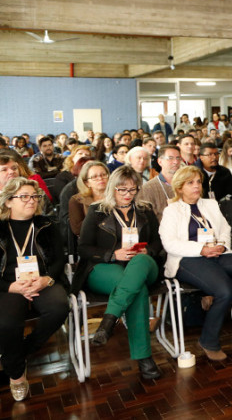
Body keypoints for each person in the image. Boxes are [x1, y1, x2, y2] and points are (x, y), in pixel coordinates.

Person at [159, 166, 232, 361]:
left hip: (216, 254)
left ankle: (216, 299)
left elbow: (224, 228)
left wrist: (222, 247)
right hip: (188, 259)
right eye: (190, 183)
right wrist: (201, 250)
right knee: (224, 291)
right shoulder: (171, 210)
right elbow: (169, 243)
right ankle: (209, 340)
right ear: (180, 187)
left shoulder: (210, 204)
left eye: (199, 182)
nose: (196, 186)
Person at [72, 166, 164, 380]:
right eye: (122, 190)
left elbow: (159, 241)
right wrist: (113, 255)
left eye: (132, 190)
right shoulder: (97, 211)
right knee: (137, 288)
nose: (127, 195)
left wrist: (147, 250)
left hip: (143, 264)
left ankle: (109, 319)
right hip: (106, 268)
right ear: (112, 188)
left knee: (140, 264)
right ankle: (144, 358)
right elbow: (83, 248)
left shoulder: (145, 210)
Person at [0, 177, 68, 402]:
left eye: (35, 197)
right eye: (24, 196)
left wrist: (46, 280)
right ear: (8, 201)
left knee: (59, 307)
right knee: (8, 322)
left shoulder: (47, 224)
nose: (32, 201)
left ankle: (21, 353)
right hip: (8, 285)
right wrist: (11, 286)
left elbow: (60, 259)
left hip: (41, 280)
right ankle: (17, 375)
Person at [137, 145, 181, 221]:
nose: (175, 162)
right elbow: (144, 220)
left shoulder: (187, 184)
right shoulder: (148, 188)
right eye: (170, 158)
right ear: (160, 161)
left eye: (178, 158)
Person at [69, 161, 110, 237]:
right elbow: (77, 229)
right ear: (87, 183)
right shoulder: (77, 200)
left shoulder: (117, 196)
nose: (100, 178)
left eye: (103, 175)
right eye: (94, 177)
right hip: (92, 240)